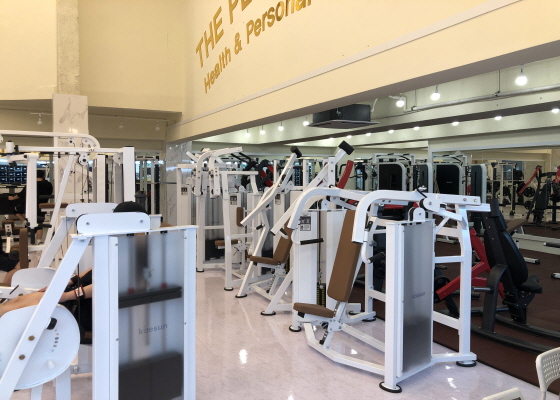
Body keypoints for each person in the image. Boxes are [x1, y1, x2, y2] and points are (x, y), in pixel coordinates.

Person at [8, 170, 53, 242]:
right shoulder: (48, 184)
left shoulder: (31, 184)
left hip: (31, 207)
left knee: (14, 209)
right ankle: (39, 241)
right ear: (43, 176)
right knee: (39, 224)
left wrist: (12, 198)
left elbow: (21, 195)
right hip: (42, 206)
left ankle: (25, 222)